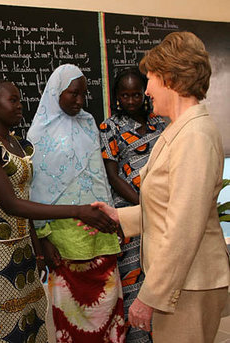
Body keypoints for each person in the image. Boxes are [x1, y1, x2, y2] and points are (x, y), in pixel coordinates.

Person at [93, 32, 230, 343]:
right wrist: (119, 217)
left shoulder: (194, 136)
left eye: (151, 78)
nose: (148, 89)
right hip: (183, 282)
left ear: (171, 79)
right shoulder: (179, 130)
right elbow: (167, 207)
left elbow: (183, 227)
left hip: (190, 284)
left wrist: (149, 296)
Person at [0, 79, 117, 342]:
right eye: (13, 100)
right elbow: (12, 204)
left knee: (30, 318)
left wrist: (36, 246)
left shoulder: (18, 144)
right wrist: (78, 210)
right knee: (2, 323)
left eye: (20, 100)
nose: (20, 106)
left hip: (21, 243)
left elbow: (25, 199)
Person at [27, 64, 125, 342]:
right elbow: (36, 191)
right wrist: (43, 238)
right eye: (73, 93)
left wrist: (113, 218)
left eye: (84, 94)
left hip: (98, 230)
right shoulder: (38, 133)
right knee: (71, 313)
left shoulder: (87, 122)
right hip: (62, 237)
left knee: (106, 307)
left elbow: (98, 175)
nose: (80, 101)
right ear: (56, 91)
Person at [99, 67, 167, 342]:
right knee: (133, 278)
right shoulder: (109, 127)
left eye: (136, 94)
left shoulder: (162, 122)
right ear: (117, 97)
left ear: (145, 93)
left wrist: (157, 206)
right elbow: (113, 176)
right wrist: (144, 204)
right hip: (130, 213)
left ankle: (164, 334)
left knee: (161, 275)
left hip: (163, 211)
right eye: (124, 95)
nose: (130, 101)